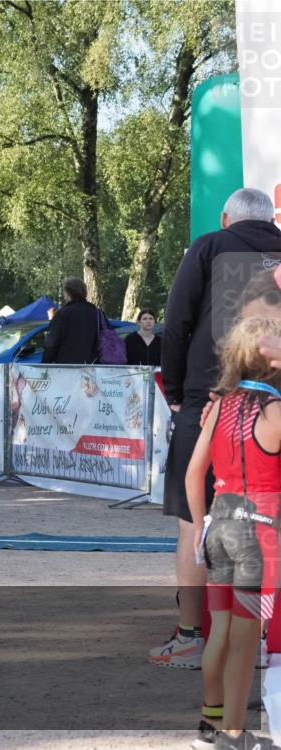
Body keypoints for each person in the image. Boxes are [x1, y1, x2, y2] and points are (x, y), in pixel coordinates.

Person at [153, 188, 281, 669]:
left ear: (227, 217)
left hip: (211, 402)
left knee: (195, 518)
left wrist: (178, 391)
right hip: (275, 406)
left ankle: (190, 636)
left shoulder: (208, 246)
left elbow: (176, 322)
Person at [186, 316, 281, 750]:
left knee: (220, 631)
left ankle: (212, 724)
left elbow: (193, 474)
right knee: (246, 643)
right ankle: (235, 736)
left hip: (217, 526)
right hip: (258, 537)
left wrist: (196, 528)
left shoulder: (220, 406)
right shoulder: (275, 412)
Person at [41, 278, 105, 364]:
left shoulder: (62, 314)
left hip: (66, 368)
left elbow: (51, 344)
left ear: (68, 294)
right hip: (93, 368)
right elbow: (109, 338)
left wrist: (45, 364)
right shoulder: (98, 313)